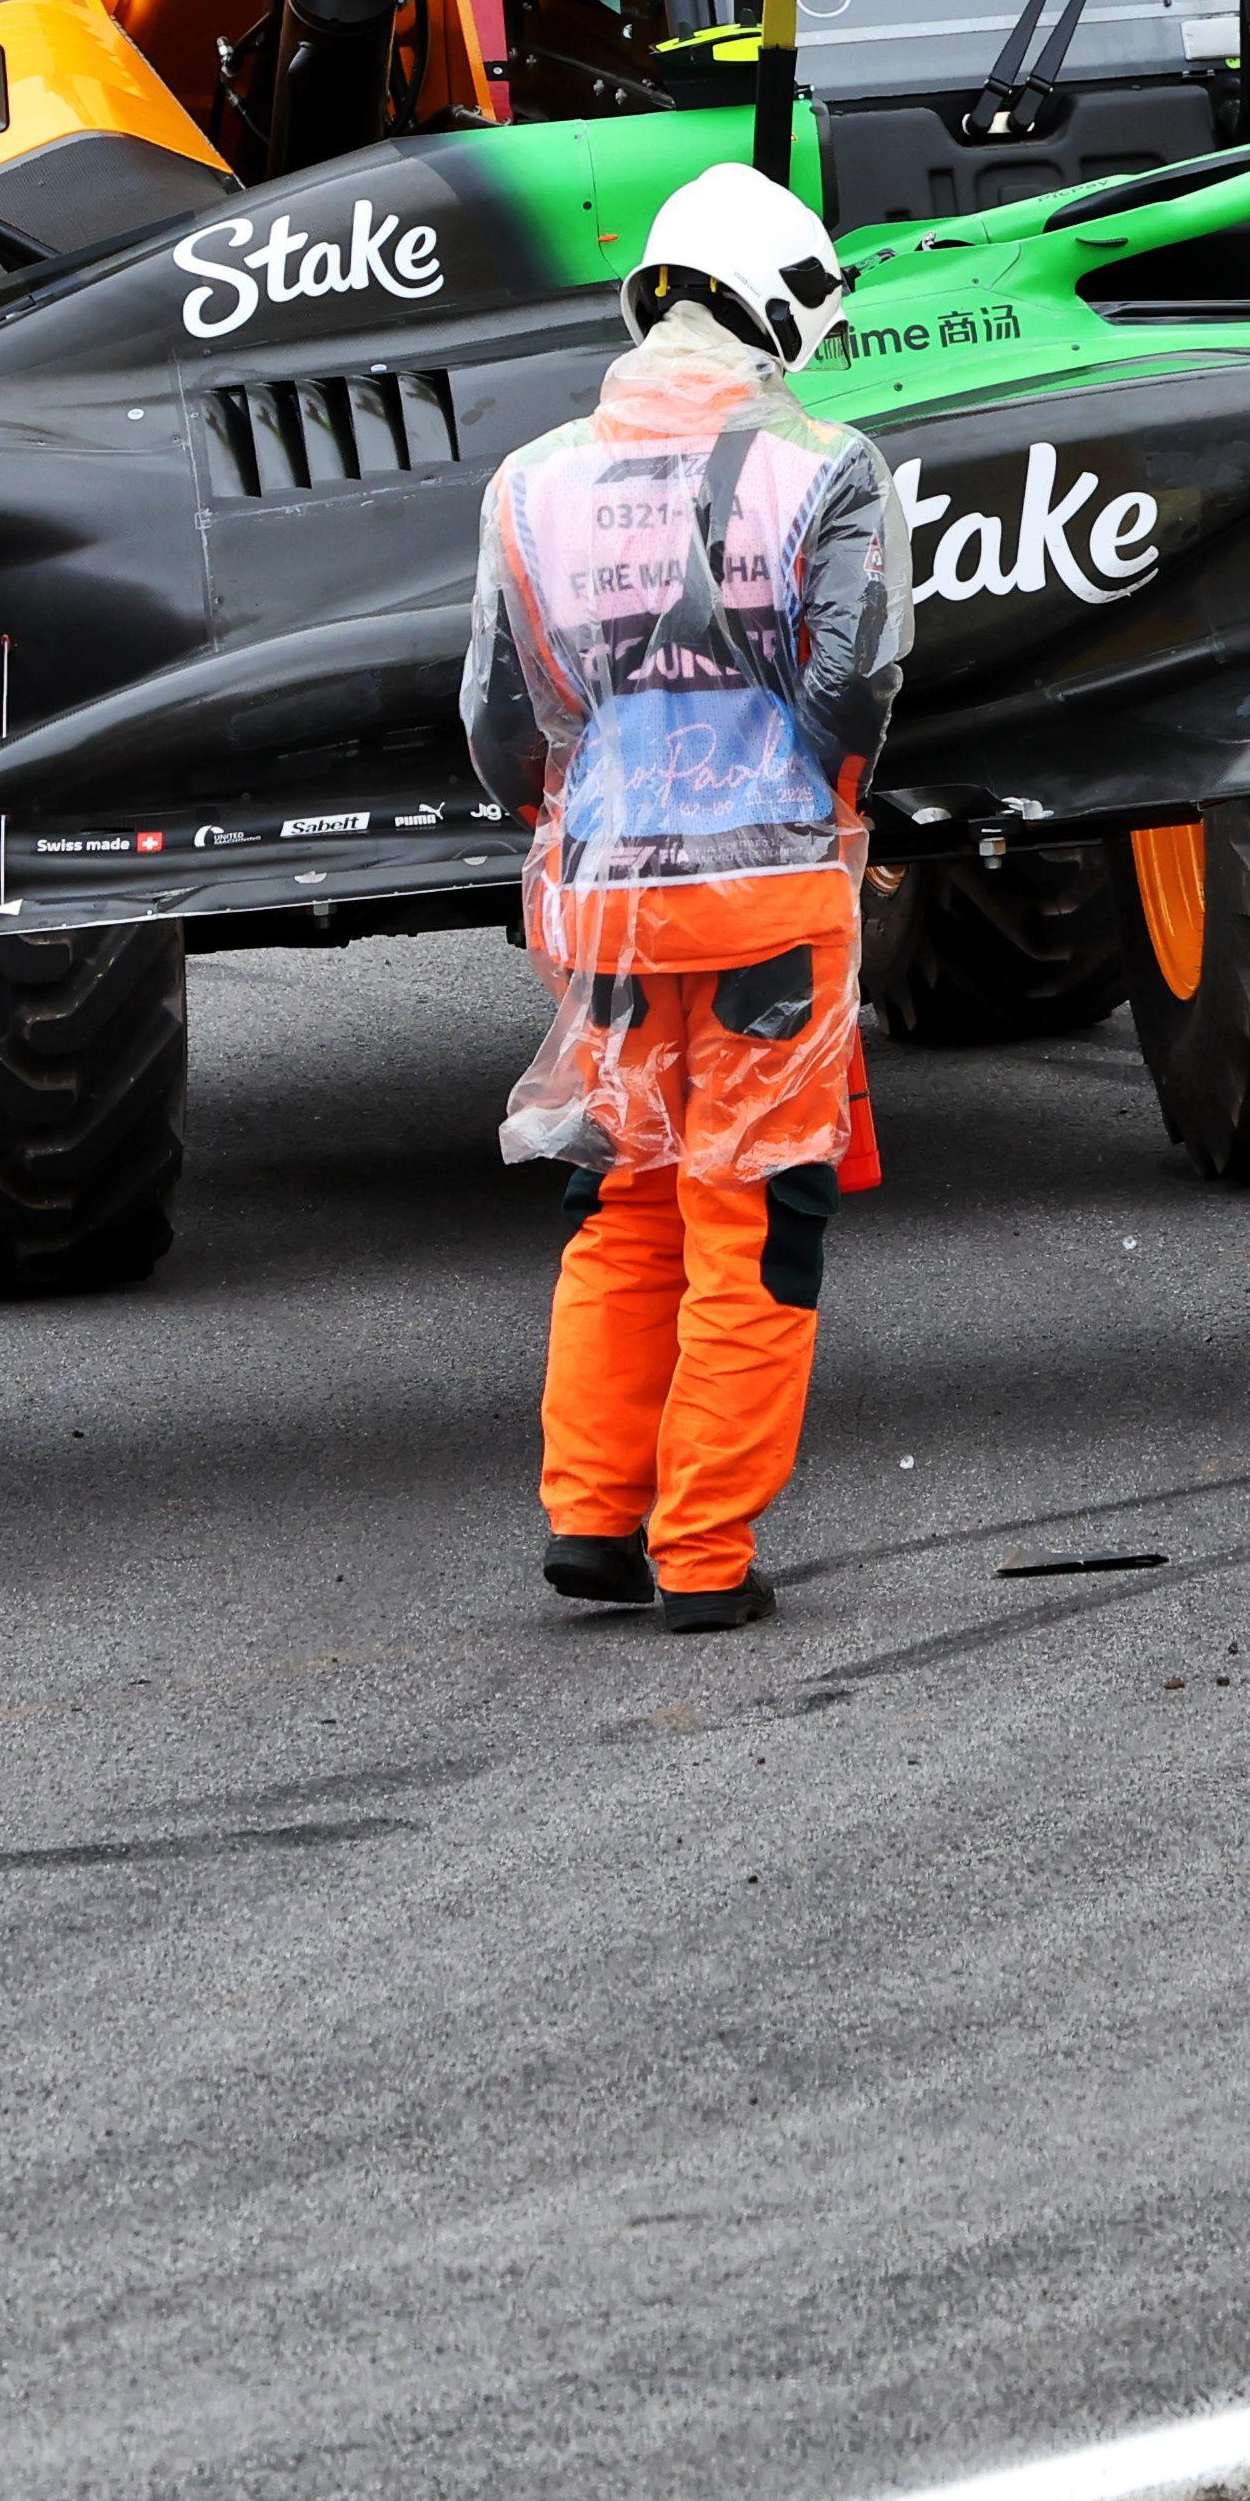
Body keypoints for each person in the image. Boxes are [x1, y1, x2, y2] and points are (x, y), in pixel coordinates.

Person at [465, 164, 912, 1634]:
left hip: (601, 905)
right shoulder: (827, 465)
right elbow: (852, 680)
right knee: (752, 1214)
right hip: (768, 893)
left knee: (624, 1197)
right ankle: (704, 1552)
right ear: (778, 306)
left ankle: (590, 1517)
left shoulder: (528, 479)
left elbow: (495, 717)